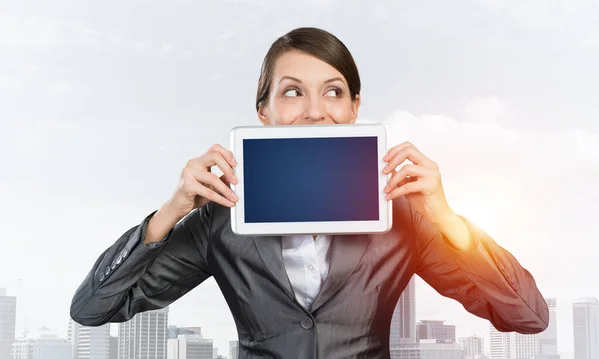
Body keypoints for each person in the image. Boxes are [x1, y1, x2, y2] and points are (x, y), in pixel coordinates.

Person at [70, 27, 549, 358]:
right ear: (264, 111)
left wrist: (446, 219)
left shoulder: (402, 213)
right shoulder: (221, 219)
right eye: (293, 92)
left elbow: (527, 316)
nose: (316, 111)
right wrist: (168, 213)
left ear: (355, 107)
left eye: (334, 92)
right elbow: (94, 309)